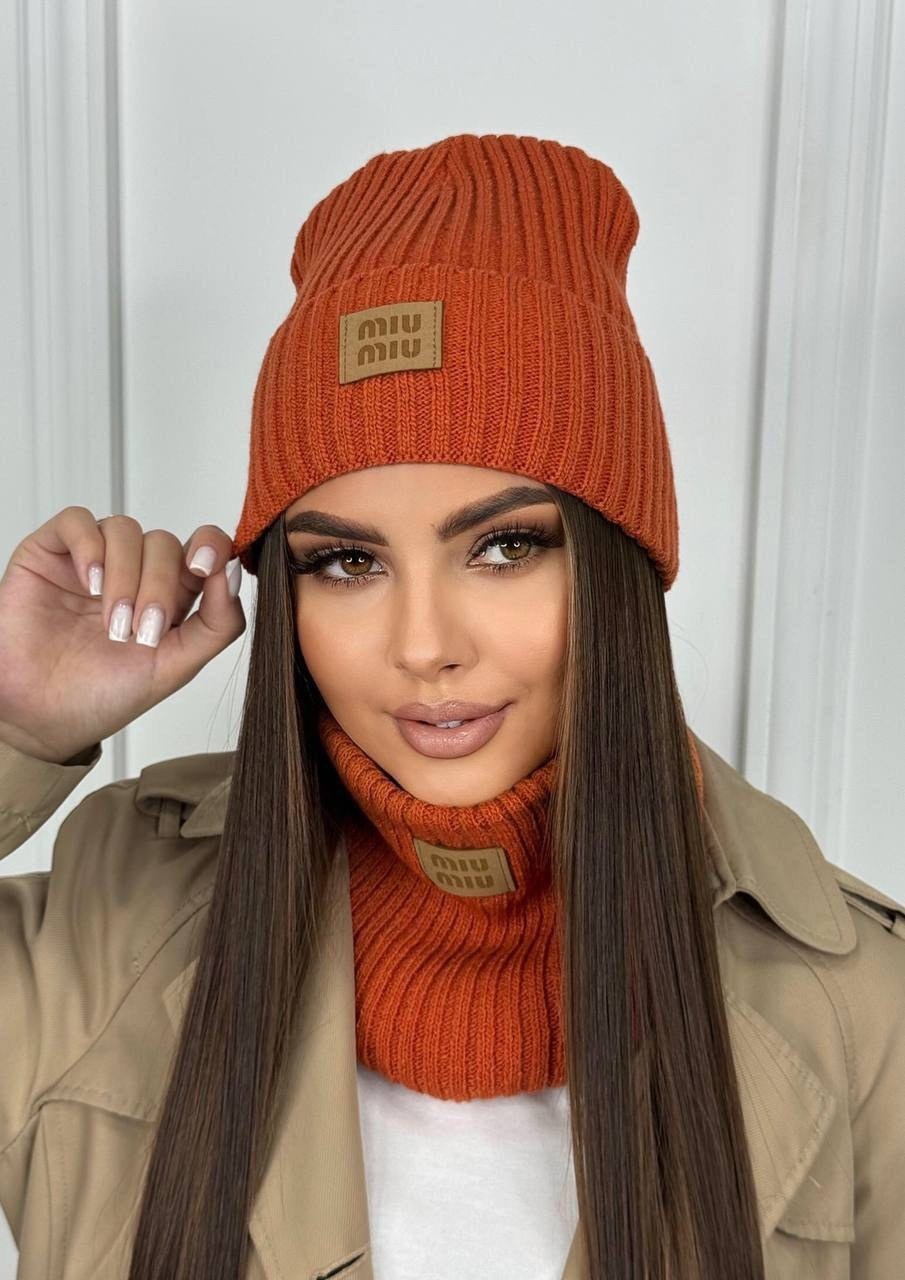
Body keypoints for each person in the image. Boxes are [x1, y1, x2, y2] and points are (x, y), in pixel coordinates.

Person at [0, 133, 902, 1280]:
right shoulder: (106, 933)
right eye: (345, 562)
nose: (423, 645)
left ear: (616, 566)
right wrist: (15, 732)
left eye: (505, 546)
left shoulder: (858, 1014)